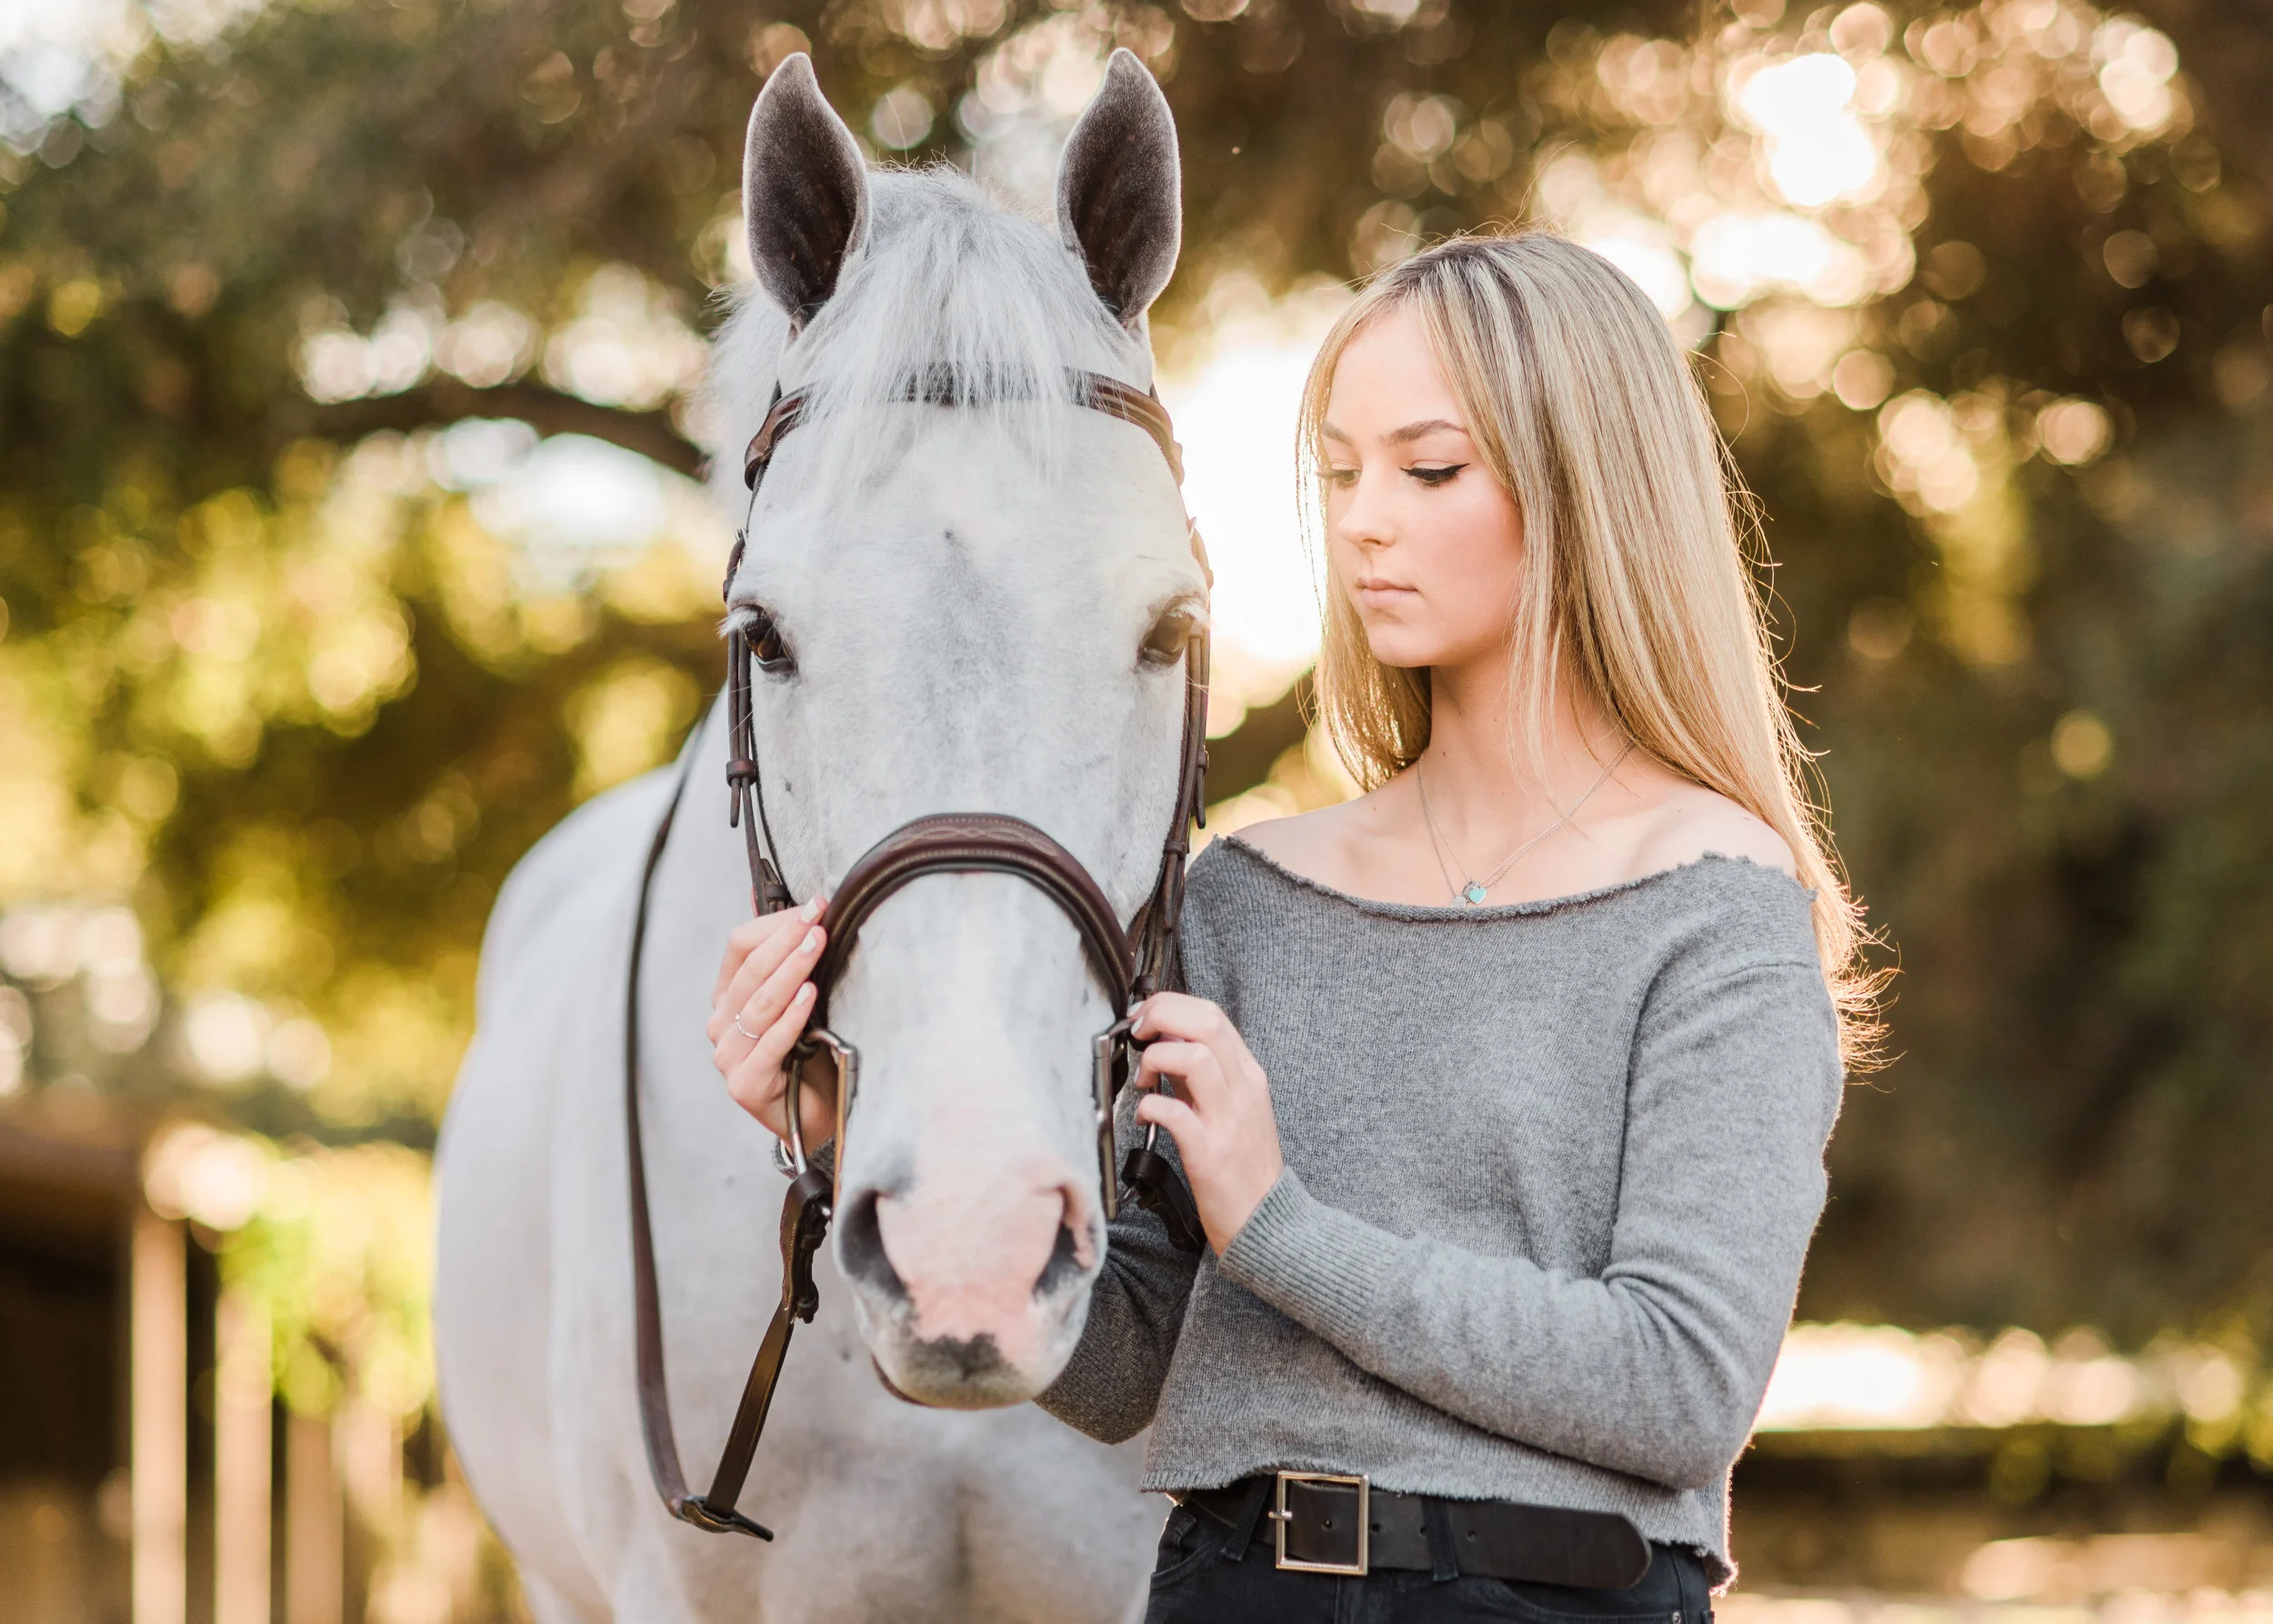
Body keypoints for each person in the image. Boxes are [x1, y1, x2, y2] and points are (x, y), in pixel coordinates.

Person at [712, 231, 1873, 1622]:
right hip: (1233, 1586)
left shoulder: (1717, 904)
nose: (1364, 521)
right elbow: (1119, 1365)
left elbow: (1679, 1386)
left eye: (1427, 470)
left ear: (1590, 489)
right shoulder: (1244, 895)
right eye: (1339, 472)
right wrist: (837, 1129)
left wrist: (1277, 1226)